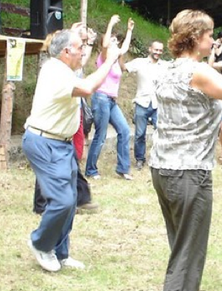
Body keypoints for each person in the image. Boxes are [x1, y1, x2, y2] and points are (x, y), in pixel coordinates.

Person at [150, 10, 222, 291]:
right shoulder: (197, 72)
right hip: (189, 173)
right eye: (210, 35)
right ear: (195, 37)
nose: (213, 41)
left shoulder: (165, 68)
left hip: (162, 169)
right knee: (187, 258)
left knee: (180, 248)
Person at [23, 27, 120, 272]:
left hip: (62, 143)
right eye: (80, 47)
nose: (84, 51)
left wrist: (99, 45)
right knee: (63, 201)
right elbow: (88, 88)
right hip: (44, 142)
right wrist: (110, 59)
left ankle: (60, 252)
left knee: (72, 199)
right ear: (67, 51)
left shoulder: (65, 68)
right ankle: (40, 243)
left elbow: (85, 67)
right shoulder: (55, 70)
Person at [85, 15, 135, 180]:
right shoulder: (103, 57)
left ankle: (123, 169)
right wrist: (110, 24)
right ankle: (91, 170)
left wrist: (129, 30)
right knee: (100, 135)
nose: (115, 42)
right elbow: (105, 44)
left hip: (112, 101)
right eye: (113, 40)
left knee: (125, 130)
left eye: (116, 40)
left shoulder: (115, 58)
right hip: (101, 99)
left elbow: (125, 47)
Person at [125, 40, 165, 170]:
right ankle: (140, 159)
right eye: (156, 49)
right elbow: (124, 67)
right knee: (139, 134)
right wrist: (118, 53)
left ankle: (159, 158)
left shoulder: (164, 66)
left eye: (160, 50)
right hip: (142, 102)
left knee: (161, 132)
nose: (158, 52)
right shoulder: (139, 62)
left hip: (157, 104)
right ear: (150, 49)